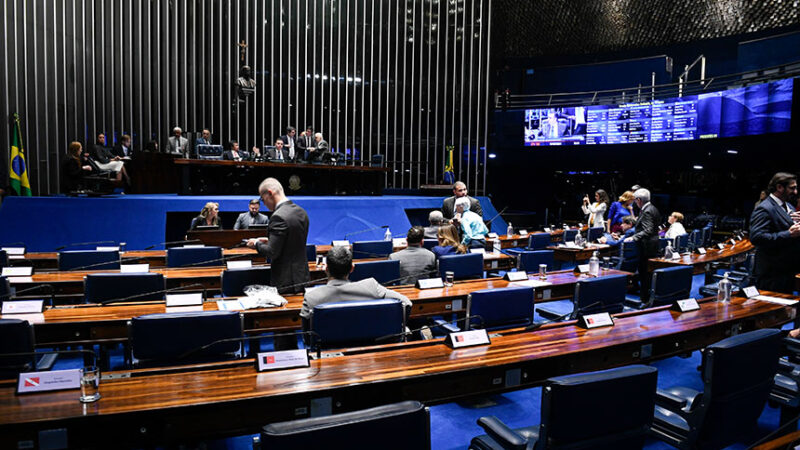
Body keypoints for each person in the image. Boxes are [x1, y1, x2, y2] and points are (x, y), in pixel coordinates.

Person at [301, 245, 411, 320]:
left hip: (328, 352)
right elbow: (407, 304)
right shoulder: (372, 287)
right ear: (352, 268)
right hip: (370, 348)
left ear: (326, 269)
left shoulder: (312, 297)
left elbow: (307, 337)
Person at [246, 177, 310, 294]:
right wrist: (271, 240)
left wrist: (256, 244)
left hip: (285, 280)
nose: (263, 204)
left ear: (270, 193)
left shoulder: (278, 216)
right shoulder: (301, 212)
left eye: (262, 199)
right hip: (303, 276)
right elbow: (293, 240)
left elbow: (272, 252)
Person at [750, 172, 800, 294]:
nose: (795, 192)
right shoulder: (765, 208)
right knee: (770, 312)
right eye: (792, 188)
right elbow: (757, 237)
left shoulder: (788, 206)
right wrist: (788, 234)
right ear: (779, 187)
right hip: (771, 274)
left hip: (786, 271)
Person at [624, 188, 661, 301]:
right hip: (652, 245)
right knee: (647, 274)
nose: (635, 203)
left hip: (646, 247)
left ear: (639, 200)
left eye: (635, 200)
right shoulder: (653, 208)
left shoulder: (646, 211)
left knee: (645, 273)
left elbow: (648, 229)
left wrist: (634, 237)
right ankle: (648, 297)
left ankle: (645, 300)